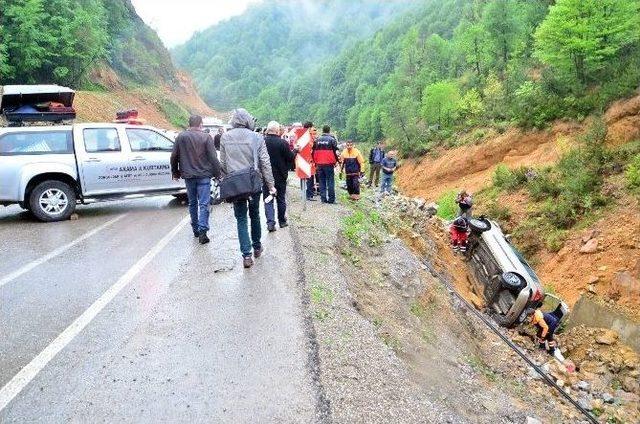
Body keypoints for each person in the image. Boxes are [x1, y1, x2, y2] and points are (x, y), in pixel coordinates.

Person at [220, 108, 276, 268]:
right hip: (253, 183)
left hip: (235, 184)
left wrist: (229, 177)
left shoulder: (225, 137)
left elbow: (222, 163)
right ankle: (257, 247)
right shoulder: (257, 137)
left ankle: (246, 256)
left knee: (241, 219)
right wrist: (271, 185)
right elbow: (265, 162)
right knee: (255, 215)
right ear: (248, 121)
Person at [170, 115, 222, 245]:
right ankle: (203, 230)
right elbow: (213, 157)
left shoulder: (181, 137)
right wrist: (217, 174)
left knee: (192, 203)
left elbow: (174, 156)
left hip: (188, 176)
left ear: (189, 124)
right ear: (201, 124)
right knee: (204, 203)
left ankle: (195, 229)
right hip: (204, 175)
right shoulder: (206, 137)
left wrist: (175, 172)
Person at [263, 120, 296, 232]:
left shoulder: (262, 142)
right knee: (281, 199)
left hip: (266, 177)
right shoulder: (282, 143)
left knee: (268, 199)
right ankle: (282, 221)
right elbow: (290, 157)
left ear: (268, 130)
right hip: (281, 176)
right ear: (277, 131)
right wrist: (295, 151)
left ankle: (270, 223)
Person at [312, 125, 340, 204]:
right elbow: (336, 152)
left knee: (321, 181)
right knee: (330, 181)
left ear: (322, 131)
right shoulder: (332, 140)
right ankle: (331, 200)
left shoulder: (317, 140)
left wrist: (315, 162)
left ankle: (323, 199)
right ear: (329, 131)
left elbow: (313, 152)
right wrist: (337, 161)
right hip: (329, 163)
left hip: (319, 164)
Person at [303, 121, 318, 201]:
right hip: (309, 160)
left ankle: (308, 193)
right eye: (312, 127)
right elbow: (310, 148)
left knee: (308, 177)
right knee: (310, 177)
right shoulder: (308, 137)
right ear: (309, 128)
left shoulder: (304, 136)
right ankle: (309, 194)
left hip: (306, 160)